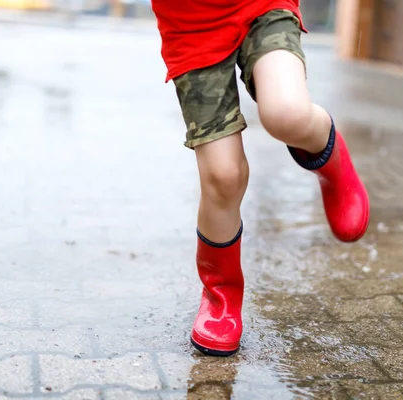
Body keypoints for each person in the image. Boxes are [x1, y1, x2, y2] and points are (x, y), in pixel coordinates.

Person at [150, 0, 370, 356]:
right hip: (189, 23)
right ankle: (221, 297)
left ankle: (333, 160)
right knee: (223, 175)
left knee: (288, 114)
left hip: (262, 6)